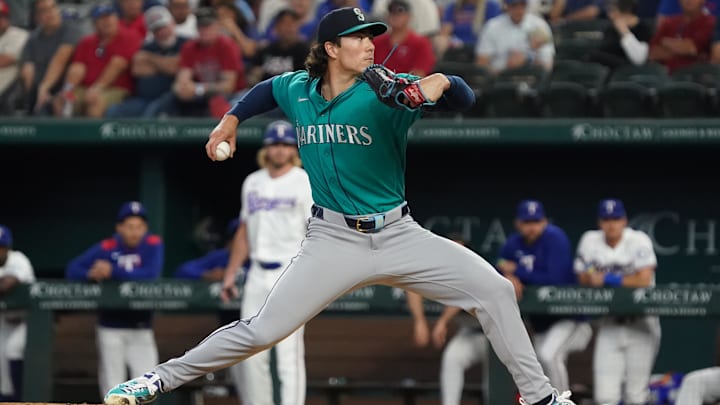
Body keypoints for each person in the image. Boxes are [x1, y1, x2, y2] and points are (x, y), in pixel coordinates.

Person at [104, 7, 576, 405]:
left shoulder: (385, 93)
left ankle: (540, 397)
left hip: (399, 234)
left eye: (373, 37)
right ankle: (156, 379)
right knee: (262, 331)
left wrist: (434, 84)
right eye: (358, 38)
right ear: (331, 48)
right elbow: (267, 89)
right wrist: (230, 120)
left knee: (494, 289)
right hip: (333, 239)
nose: (371, 44)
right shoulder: (300, 90)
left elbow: (458, 94)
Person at [218, 120, 313, 405]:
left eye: (285, 145)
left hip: (290, 272)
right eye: (275, 144)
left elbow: (315, 230)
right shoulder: (253, 182)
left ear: (293, 149)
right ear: (267, 149)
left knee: (288, 354)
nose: (280, 150)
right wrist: (230, 273)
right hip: (258, 273)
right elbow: (244, 231)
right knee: (251, 351)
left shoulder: (304, 180)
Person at [67, 201, 163, 398]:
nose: (135, 232)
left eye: (139, 227)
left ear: (145, 228)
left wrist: (113, 271)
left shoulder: (153, 244)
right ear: (119, 227)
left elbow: (150, 274)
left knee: (147, 388)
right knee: (113, 386)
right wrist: (91, 273)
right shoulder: (107, 246)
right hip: (110, 326)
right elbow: (72, 269)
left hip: (142, 327)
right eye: (129, 227)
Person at [497, 200, 592, 394]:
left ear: (544, 222)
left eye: (536, 222)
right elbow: (498, 262)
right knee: (540, 368)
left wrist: (517, 271)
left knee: (549, 355)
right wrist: (507, 276)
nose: (532, 227)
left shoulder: (555, 238)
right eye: (527, 222)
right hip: (541, 324)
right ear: (518, 224)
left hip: (571, 318)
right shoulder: (514, 243)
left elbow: (554, 279)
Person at [575, 198, 660, 405]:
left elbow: (643, 279)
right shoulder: (590, 240)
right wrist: (592, 276)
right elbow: (582, 275)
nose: (611, 224)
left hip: (641, 323)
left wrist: (607, 278)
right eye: (606, 219)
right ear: (600, 222)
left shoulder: (638, 240)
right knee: (605, 397)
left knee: (635, 396)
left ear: (624, 220)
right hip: (609, 323)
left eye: (616, 218)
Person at [407, 233, 490, 405]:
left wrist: (442, 322)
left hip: (495, 333)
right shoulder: (437, 269)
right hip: (471, 333)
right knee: (452, 358)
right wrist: (419, 320)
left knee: (494, 378)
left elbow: (462, 293)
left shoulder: (476, 268)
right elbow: (412, 285)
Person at [53, 3, 143, 117]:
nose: (107, 21)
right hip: (86, 88)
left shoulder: (129, 36)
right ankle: (65, 134)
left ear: (116, 18)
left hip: (116, 90)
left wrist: (97, 89)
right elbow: (77, 68)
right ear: (94, 24)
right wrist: (67, 90)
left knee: (95, 101)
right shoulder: (87, 42)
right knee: (60, 101)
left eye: (110, 16)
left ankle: (90, 135)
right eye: (101, 18)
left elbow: (117, 64)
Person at [105, 5, 187, 118]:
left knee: (153, 112)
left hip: (170, 100)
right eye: (156, 29)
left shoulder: (185, 44)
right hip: (142, 99)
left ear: (172, 23)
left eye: (163, 26)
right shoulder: (147, 47)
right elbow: (137, 70)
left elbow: (175, 67)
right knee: (113, 111)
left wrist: (150, 59)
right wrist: (166, 64)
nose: (161, 32)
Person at [19, 0, 81, 116]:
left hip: (67, 88)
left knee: (54, 105)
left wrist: (44, 87)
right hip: (40, 91)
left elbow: (60, 59)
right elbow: (27, 66)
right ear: (37, 17)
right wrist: (34, 92)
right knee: (28, 71)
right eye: (44, 10)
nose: (51, 13)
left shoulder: (70, 29)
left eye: (53, 7)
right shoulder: (33, 38)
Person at [0, 225, 35, 401]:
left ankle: (21, 399)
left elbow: (7, 284)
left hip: (27, 320)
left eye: (1, 247)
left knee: (13, 349)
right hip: (3, 321)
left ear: (8, 247)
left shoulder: (19, 259)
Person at [475, 0, 555, 73]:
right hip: (500, 80)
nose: (519, 9)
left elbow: (547, 66)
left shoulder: (539, 25)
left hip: (531, 78)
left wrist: (527, 59)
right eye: (514, 5)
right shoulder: (492, 26)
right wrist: (506, 69)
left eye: (522, 4)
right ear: (506, 6)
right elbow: (481, 63)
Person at [372, 0, 436, 77]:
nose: (395, 17)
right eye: (392, 13)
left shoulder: (420, 43)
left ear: (408, 16)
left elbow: (419, 74)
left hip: (408, 86)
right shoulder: (378, 42)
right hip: (377, 84)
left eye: (400, 13)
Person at [648, 0, 715, 73]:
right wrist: (683, 53)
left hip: (695, 78)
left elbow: (691, 48)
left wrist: (665, 42)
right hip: (665, 77)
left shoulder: (709, 23)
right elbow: (652, 53)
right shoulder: (669, 22)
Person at [587, 0, 652, 68]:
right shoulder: (611, 28)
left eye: (612, 10)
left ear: (626, 11)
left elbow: (639, 59)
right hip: (606, 70)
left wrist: (624, 32)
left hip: (628, 71)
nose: (609, 15)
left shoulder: (643, 29)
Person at [0, 0, 28, 115]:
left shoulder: (19, 35)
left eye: (3, 16)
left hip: (7, 91)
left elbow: (4, 60)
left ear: (8, 17)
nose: (1, 20)